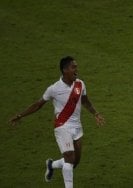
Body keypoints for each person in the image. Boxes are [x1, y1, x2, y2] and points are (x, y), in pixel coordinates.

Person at [9, 56, 105, 188]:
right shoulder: (54, 89)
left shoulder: (80, 84)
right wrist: (20, 115)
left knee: (75, 162)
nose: (76, 69)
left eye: (76, 67)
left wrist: (96, 113)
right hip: (62, 126)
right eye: (73, 67)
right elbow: (38, 104)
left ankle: (51, 165)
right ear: (65, 70)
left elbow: (85, 101)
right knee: (70, 159)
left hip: (77, 126)